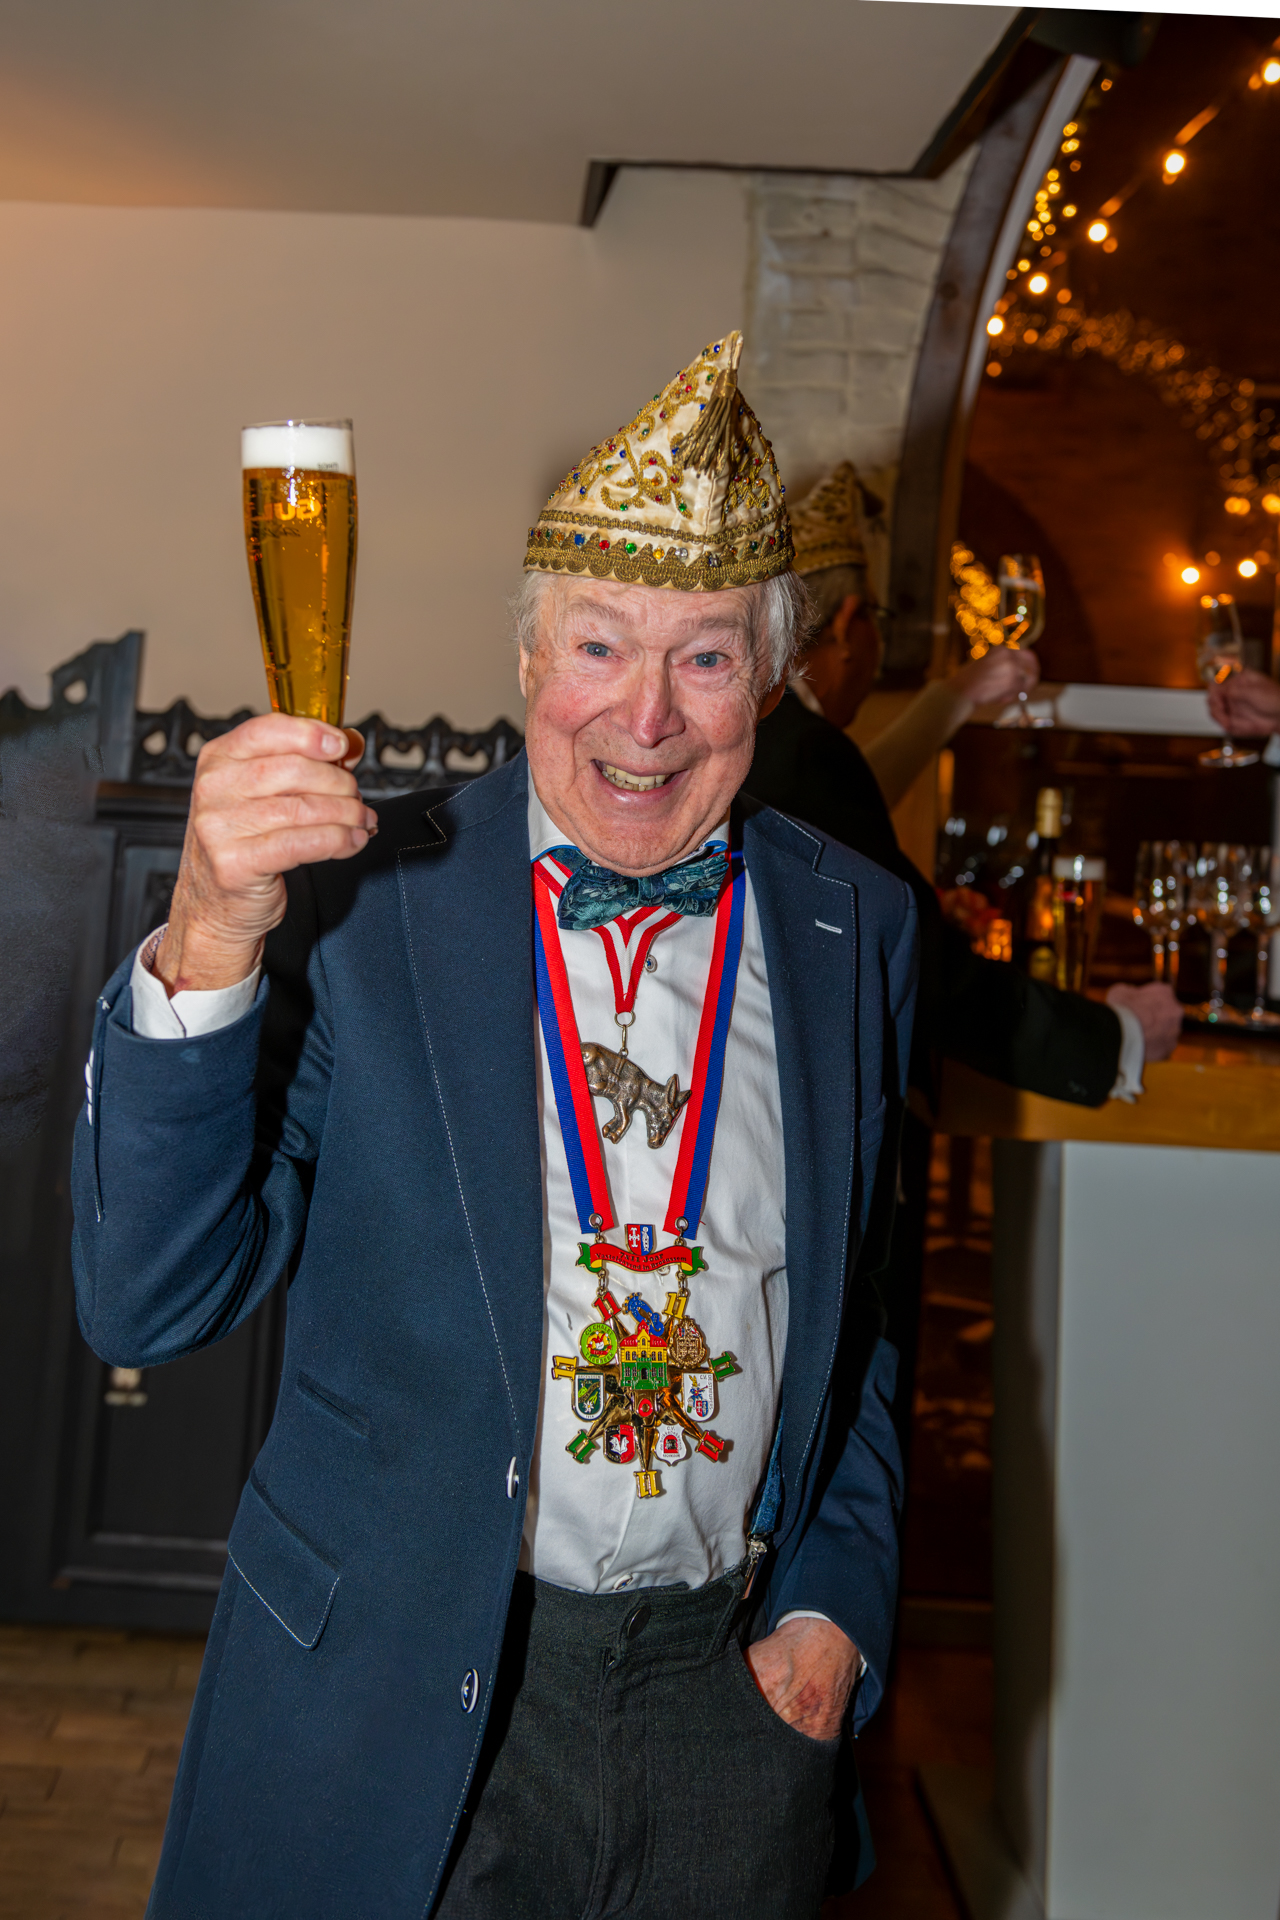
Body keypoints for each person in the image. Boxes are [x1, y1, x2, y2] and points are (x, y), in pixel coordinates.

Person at [72, 334, 916, 1919]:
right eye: (600, 645)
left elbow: (862, 1313)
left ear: (770, 679)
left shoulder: (854, 924)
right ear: (528, 658)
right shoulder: (361, 905)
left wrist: (831, 1619)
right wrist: (206, 932)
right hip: (404, 1702)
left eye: (707, 658)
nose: (647, 718)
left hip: (734, 1709)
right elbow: (147, 1297)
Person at [748, 461, 1182, 1107]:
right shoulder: (806, 751)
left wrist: (954, 698)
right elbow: (920, 966)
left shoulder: (760, 734)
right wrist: (1117, 1036)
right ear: (847, 624)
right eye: (880, 620)